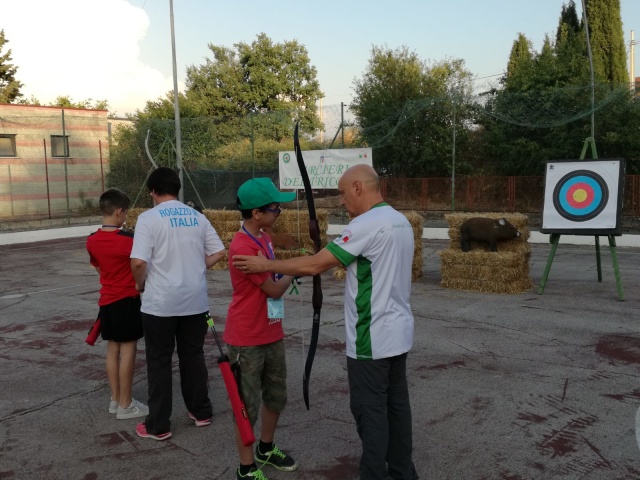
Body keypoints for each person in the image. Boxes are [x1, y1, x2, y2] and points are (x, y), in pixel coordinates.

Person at [233, 165, 419, 480]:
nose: (342, 202)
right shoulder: (399, 220)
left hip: (370, 338)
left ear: (359, 187)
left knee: (369, 413)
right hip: (398, 333)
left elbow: (318, 264)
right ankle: (403, 471)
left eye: (344, 193)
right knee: (396, 408)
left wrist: (268, 264)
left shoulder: (366, 224)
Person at [130, 167, 226, 441]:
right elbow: (219, 251)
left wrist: (140, 284)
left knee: (159, 361)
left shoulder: (148, 219)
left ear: (153, 191)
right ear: (177, 189)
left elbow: (138, 262)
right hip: (195, 301)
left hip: (160, 303)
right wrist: (196, 267)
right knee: (193, 356)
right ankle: (201, 411)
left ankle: (158, 425)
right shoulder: (197, 217)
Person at [225, 178, 299, 480]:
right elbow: (274, 289)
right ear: (256, 213)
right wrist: (294, 270)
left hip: (271, 332)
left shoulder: (264, 238)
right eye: (275, 208)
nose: (279, 212)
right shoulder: (242, 247)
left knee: (276, 396)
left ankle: (265, 448)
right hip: (247, 337)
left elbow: (274, 271)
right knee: (247, 404)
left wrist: (283, 267)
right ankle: (246, 467)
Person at [86, 188, 149, 420]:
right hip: (127, 299)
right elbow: (140, 265)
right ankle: (126, 404)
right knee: (129, 349)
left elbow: (99, 268)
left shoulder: (92, 240)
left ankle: (115, 399)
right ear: (120, 212)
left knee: (112, 349)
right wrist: (138, 284)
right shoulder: (129, 239)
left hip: (107, 300)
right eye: (126, 213)